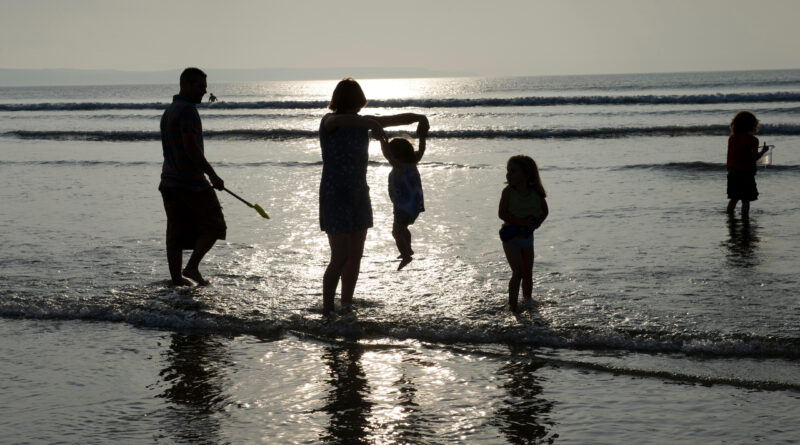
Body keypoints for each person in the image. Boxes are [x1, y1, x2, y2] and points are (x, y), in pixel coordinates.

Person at [319, 78, 429, 315]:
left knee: (355, 255)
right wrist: (369, 122)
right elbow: (340, 119)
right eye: (355, 105)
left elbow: (397, 119)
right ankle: (328, 310)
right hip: (335, 195)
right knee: (339, 256)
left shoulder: (361, 121)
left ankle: (346, 304)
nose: (358, 110)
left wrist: (421, 118)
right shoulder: (331, 121)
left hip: (359, 194)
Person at [159, 67, 226, 286]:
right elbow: (191, 147)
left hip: (169, 182)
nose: (204, 91)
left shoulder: (170, 110)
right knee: (215, 225)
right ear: (186, 85)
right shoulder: (187, 110)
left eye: (205, 87)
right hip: (191, 183)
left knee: (176, 232)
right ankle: (192, 267)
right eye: (199, 86)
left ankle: (177, 280)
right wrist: (212, 175)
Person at [498, 155, 549, 312]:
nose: (509, 174)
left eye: (513, 171)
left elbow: (545, 211)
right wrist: (521, 222)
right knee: (518, 272)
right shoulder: (508, 192)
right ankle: (512, 307)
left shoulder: (536, 193)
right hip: (511, 237)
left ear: (527, 174)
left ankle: (527, 301)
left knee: (528, 272)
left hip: (527, 237)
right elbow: (502, 214)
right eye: (508, 171)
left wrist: (536, 224)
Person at [380, 136, 427, 270]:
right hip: (414, 206)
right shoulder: (413, 163)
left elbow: (387, 155)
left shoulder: (398, 166)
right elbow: (422, 150)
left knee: (396, 232)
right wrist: (423, 137)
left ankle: (405, 255)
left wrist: (382, 142)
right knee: (404, 228)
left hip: (402, 206)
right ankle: (409, 249)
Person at [726, 111, 770, 218]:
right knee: (746, 200)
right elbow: (754, 157)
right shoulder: (752, 140)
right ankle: (745, 219)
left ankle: (729, 217)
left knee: (734, 198)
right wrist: (763, 151)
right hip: (746, 173)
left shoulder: (732, 138)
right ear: (752, 125)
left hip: (732, 172)